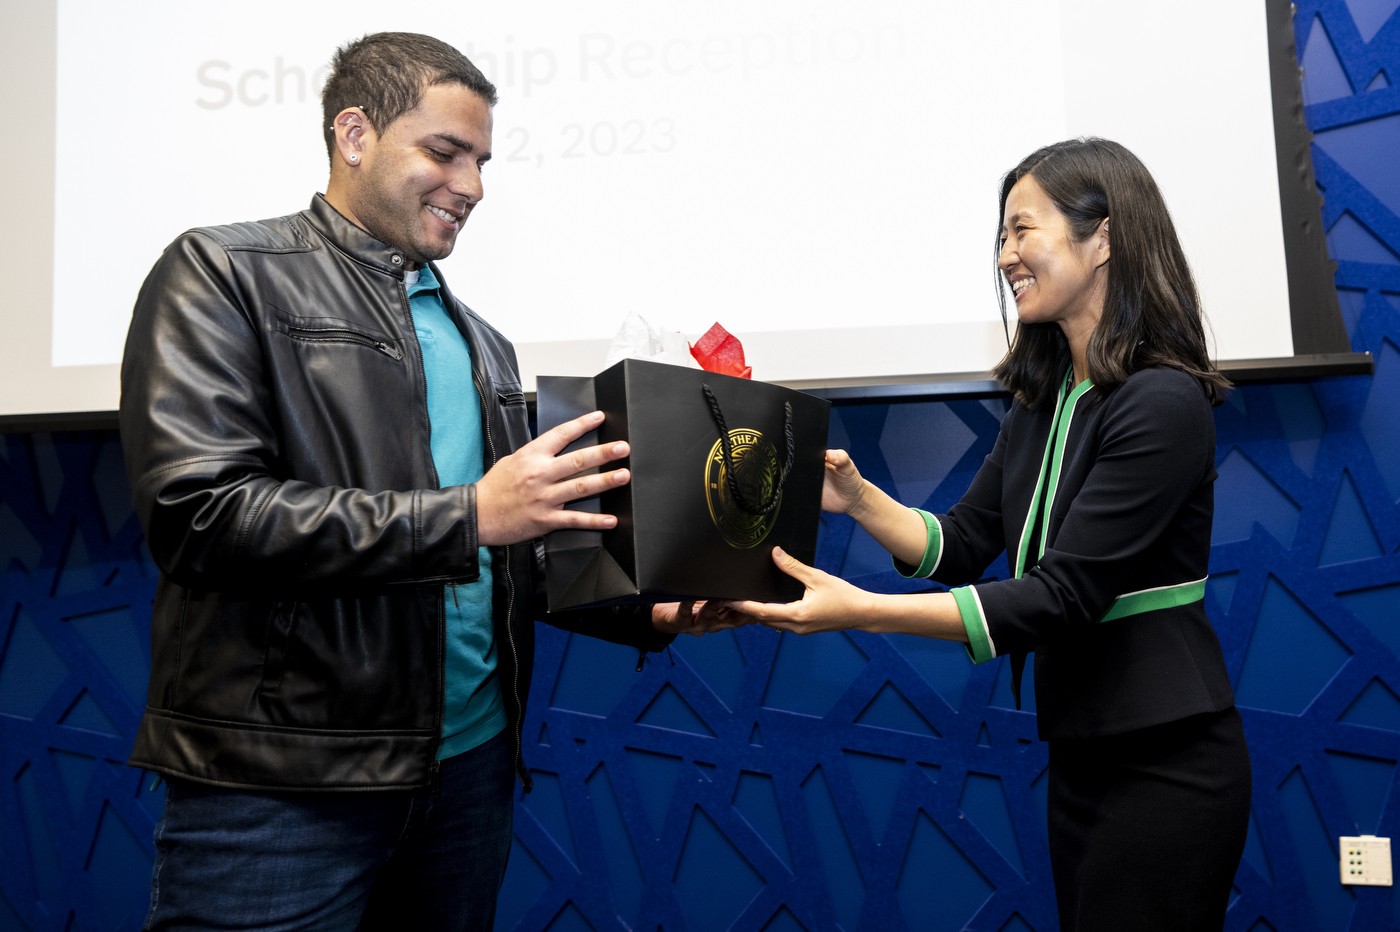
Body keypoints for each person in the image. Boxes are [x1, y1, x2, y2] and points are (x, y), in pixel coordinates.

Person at [120, 32, 721, 932]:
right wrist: (472, 512)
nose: (472, 185)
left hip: (469, 778)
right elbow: (200, 517)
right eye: (445, 152)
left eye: (481, 159)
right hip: (283, 787)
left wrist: (648, 612)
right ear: (353, 134)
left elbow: (520, 547)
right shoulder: (223, 273)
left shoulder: (482, 340)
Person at [724, 138, 1250, 931]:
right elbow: (964, 541)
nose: (1006, 255)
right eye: (1000, 237)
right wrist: (859, 498)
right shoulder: (1043, 400)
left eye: (1022, 230)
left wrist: (861, 609)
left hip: (1165, 758)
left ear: (1102, 237)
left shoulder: (1161, 401)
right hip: (1084, 749)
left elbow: (1062, 597)